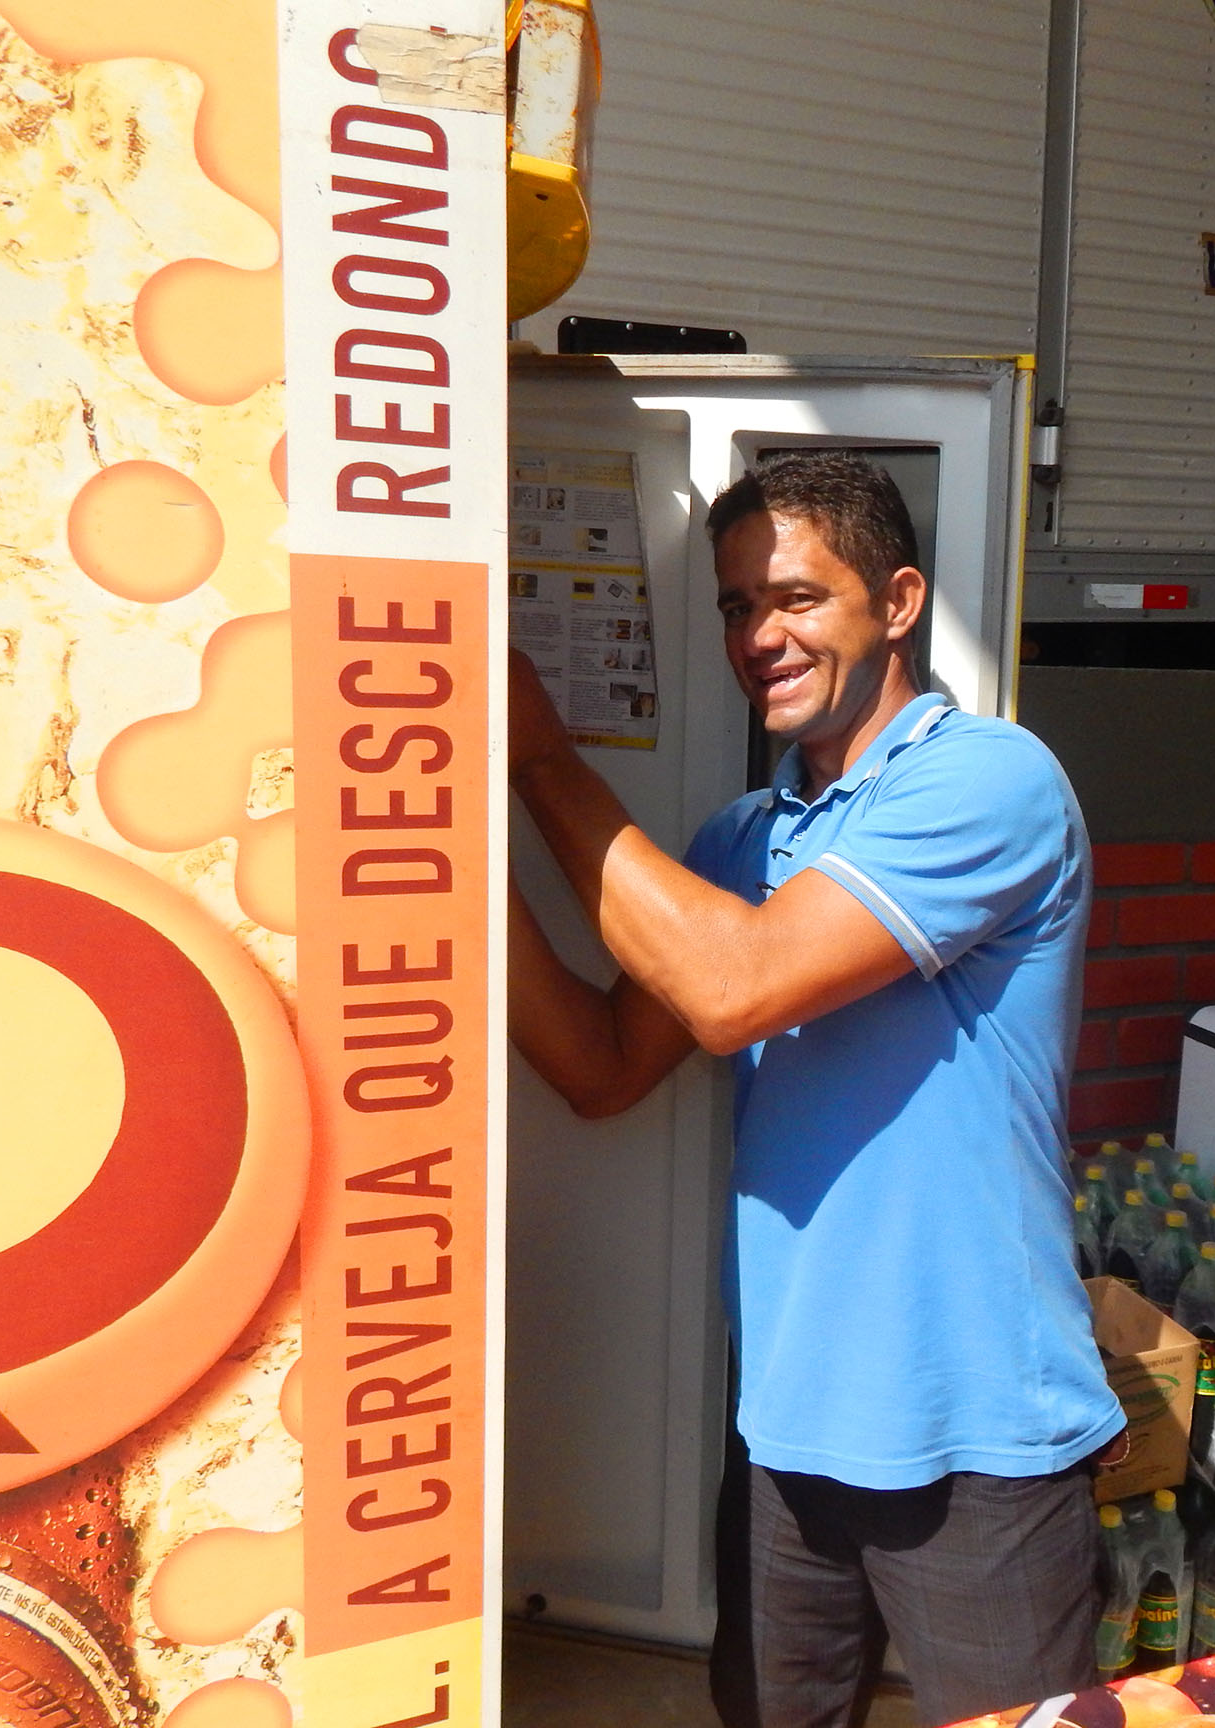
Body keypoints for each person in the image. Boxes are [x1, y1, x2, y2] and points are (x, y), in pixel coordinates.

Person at [509, 451, 1122, 1728]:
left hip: (977, 1434)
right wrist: (440, 838)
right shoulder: (744, 840)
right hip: (788, 1428)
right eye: (738, 606)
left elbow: (735, 988)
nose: (759, 637)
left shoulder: (988, 779)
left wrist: (543, 760)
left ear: (897, 603)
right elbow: (602, 1067)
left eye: (796, 597)